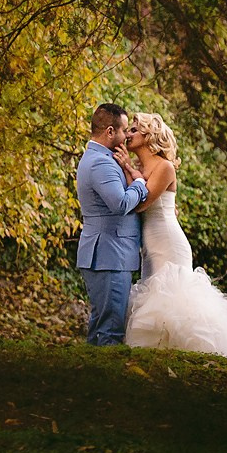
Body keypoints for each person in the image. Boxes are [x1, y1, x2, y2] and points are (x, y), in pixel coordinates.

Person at [122, 112, 227, 361]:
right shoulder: (140, 168)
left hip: (169, 242)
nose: (128, 135)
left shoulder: (164, 167)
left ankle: (196, 352)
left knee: (172, 296)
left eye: (134, 130)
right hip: (150, 243)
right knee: (153, 295)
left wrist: (127, 168)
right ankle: (159, 354)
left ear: (149, 136)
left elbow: (140, 203)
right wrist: (131, 170)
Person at [75, 102, 148, 346]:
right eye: (124, 130)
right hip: (109, 255)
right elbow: (119, 204)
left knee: (101, 325)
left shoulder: (100, 158)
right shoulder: (101, 163)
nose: (127, 135)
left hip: (107, 253)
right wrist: (139, 184)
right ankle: (105, 382)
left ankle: (90, 377)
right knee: (111, 331)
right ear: (109, 131)